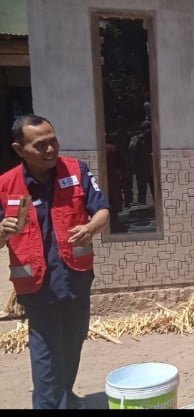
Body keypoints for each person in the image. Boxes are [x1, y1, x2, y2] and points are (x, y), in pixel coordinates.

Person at [0, 114, 110, 409]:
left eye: (53, 141)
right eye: (40, 145)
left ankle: (65, 397)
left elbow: (102, 211)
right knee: (46, 350)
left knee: (74, 340)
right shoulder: (5, 185)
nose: (51, 149)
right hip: (36, 283)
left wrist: (90, 228)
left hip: (75, 276)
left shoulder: (76, 171)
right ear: (19, 149)